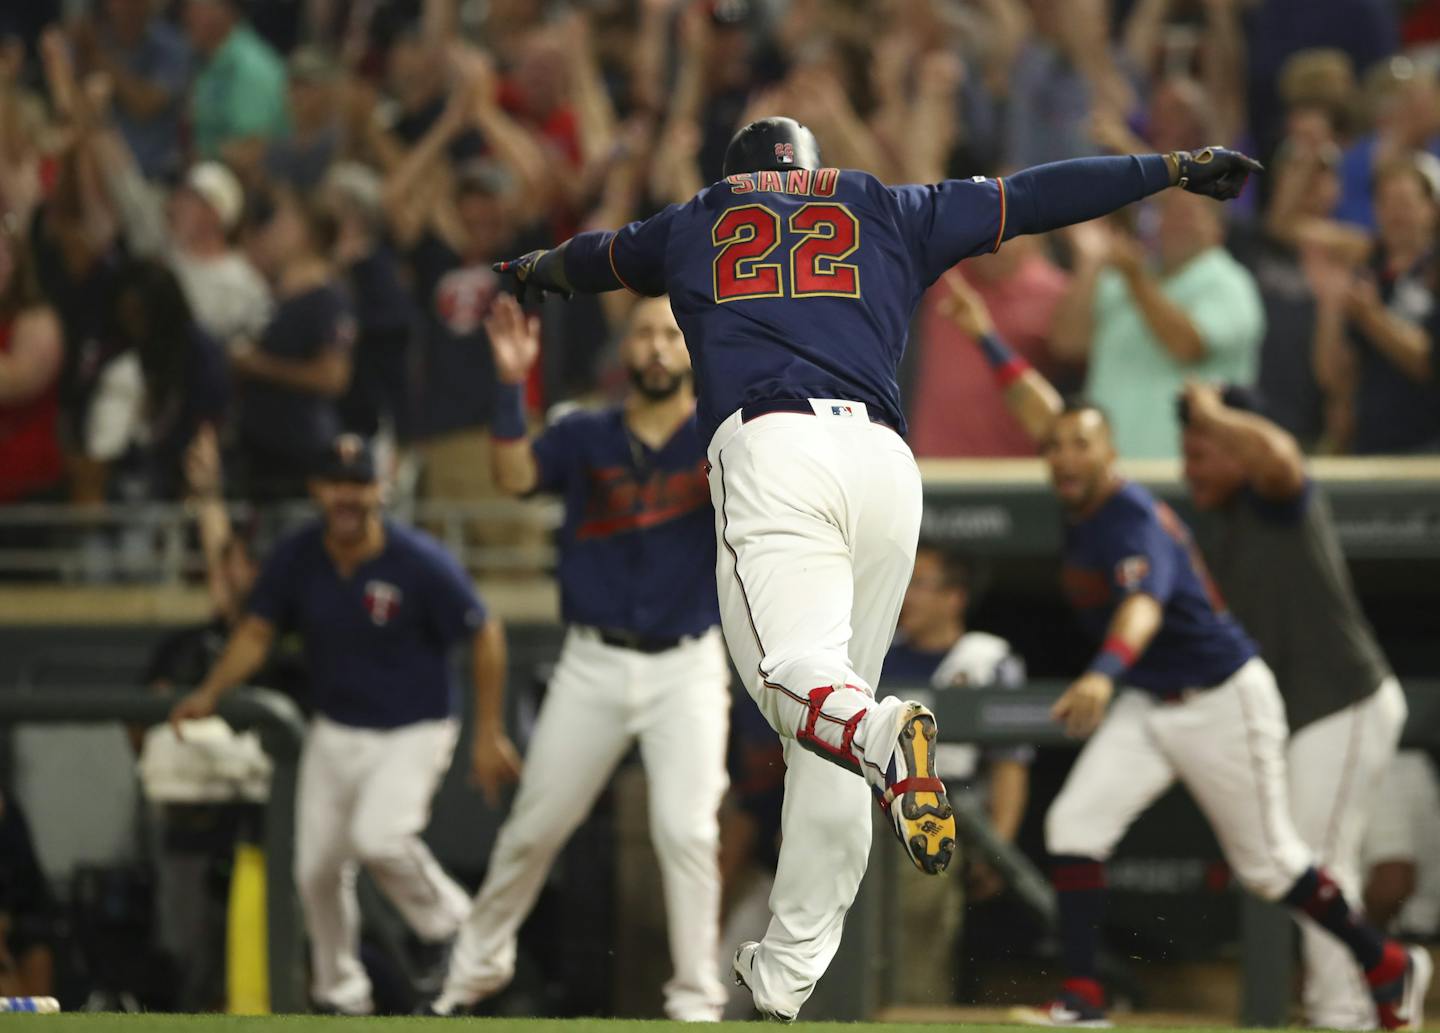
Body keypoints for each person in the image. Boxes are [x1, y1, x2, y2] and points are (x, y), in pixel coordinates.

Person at [492, 115, 1262, 1020]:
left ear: (738, 173)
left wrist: (534, 269)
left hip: (775, 449)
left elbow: (594, 259)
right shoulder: (886, 205)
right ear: (815, 167)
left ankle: (891, 735)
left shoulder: (698, 217)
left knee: (794, 685)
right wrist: (1163, 168)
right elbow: (1042, 194)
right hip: (887, 469)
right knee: (826, 721)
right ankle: (786, 978)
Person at [939, 280, 1430, 1030]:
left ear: (1111, 455)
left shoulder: (1132, 516)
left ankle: (1387, 964)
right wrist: (984, 337)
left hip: (1219, 697)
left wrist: (1103, 674)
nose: (1065, 455)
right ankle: (1084, 998)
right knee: (1075, 825)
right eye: (1057, 447)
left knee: (1271, 865)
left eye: (1082, 446)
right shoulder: (1079, 478)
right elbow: (1046, 411)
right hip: (1152, 699)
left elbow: (1142, 606)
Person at [427, 294, 730, 1020]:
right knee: (535, 825)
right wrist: (510, 383)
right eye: (646, 334)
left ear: (693, 349)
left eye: (672, 335)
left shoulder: (725, 436)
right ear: (625, 349)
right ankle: (474, 970)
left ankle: (697, 998)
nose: (658, 347)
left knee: (688, 830)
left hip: (687, 660)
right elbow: (511, 476)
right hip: (591, 659)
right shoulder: (586, 432)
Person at [169, 434, 508, 1016]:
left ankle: (460, 934)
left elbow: (485, 630)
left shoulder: (416, 559)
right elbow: (256, 630)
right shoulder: (299, 555)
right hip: (337, 725)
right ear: (316, 489)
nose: (346, 497)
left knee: (380, 837)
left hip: (414, 725)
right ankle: (341, 997)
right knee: (316, 869)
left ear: (381, 488)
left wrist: (488, 731)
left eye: (359, 484)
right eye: (335, 484)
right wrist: (210, 690)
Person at [1180, 381, 1410, 1029]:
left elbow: (1281, 455)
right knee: (1301, 862)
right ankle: (1372, 994)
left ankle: (1347, 1012)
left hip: (1344, 702)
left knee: (1318, 858)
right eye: (1186, 453)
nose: (1189, 468)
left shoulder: (1274, 496)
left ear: (1236, 448)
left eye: (1202, 454)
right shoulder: (1219, 520)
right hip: (1310, 713)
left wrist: (1216, 414)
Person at [883, 543, 1031, 1003]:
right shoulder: (877, 652)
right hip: (867, 811)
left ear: (955, 597)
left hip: (939, 816)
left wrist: (998, 847)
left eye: (920, 584)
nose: (906, 596)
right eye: (903, 583)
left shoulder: (986, 659)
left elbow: (1010, 763)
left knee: (917, 944)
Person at [1051, 191, 1264, 459]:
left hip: (1190, 472)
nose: (1173, 223)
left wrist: (1136, 280)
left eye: (1187, 215)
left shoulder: (1229, 284)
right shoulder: (1119, 279)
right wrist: (1091, 261)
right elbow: (1067, 343)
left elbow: (1186, 345)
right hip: (1110, 470)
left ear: (1216, 228)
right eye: (1166, 213)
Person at [1310, 157, 1440, 454]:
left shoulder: (1434, 273)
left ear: (1431, 209)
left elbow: (1429, 363)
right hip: (1372, 445)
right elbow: (1332, 375)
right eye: (1386, 202)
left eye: (1405, 202)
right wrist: (1331, 305)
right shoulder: (1369, 275)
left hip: (1430, 449)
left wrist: (1372, 317)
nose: (1396, 213)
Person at [233, 190, 355, 501]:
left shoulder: (327, 297)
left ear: (308, 234)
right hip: (258, 452)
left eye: (282, 223)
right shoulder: (268, 294)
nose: (271, 230)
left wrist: (259, 366)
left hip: (301, 453)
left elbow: (333, 377)